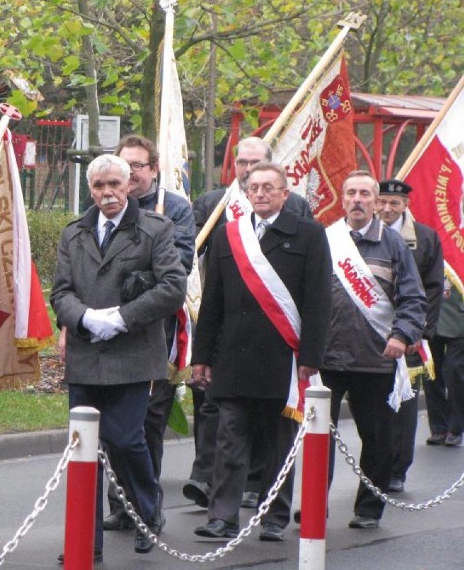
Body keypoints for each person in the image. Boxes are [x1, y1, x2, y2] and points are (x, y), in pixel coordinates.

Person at [51, 154, 187, 560]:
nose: (107, 193)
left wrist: (123, 318)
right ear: (90, 189)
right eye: (99, 186)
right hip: (86, 356)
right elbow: (60, 293)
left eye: (114, 184)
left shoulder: (155, 229)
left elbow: (172, 288)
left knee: (127, 441)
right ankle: (84, 540)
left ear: (129, 185)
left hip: (132, 355)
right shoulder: (74, 233)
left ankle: (148, 515)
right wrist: (86, 318)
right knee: (84, 451)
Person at [190, 163, 331, 542]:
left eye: (270, 187)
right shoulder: (228, 236)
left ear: (286, 193)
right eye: (254, 188)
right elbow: (213, 302)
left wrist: (310, 359)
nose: (261, 194)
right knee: (229, 439)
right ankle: (223, 517)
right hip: (234, 357)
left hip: (284, 360)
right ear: (246, 193)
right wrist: (201, 356)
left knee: (277, 442)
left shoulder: (310, 235)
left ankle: (273, 517)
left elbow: (319, 302)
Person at [320, 170, 426, 529]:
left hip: (376, 358)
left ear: (376, 200)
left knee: (377, 439)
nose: (358, 200)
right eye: (351, 193)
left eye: (366, 193)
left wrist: (401, 334)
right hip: (327, 359)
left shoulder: (394, 245)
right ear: (343, 197)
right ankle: (317, 505)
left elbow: (413, 297)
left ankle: (368, 509)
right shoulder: (326, 240)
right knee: (319, 438)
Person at [101, 134, 195, 532]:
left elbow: (181, 261)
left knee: (146, 425)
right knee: (112, 426)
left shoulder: (174, 208)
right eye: (123, 165)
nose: (129, 173)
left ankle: (145, 505)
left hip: (158, 334)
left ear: (153, 169)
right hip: (109, 333)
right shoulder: (105, 207)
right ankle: (120, 504)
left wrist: (132, 281)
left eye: (137, 166)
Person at [375, 179, 444, 492]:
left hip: (408, 335)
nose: (388, 209)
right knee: (373, 404)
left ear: (406, 206)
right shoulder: (358, 236)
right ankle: (374, 467)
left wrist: (419, 332)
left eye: (395, 204)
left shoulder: (426, 238)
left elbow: (432, 290)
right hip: (369, 332)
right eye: (383, 202)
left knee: (404, 403)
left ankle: (397, 470)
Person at [424, 278, 464, 447]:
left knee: (453, 370)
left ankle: (455, 428)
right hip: (432, 316)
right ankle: (438, 428)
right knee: (431, 372)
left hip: (460, 318)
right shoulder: (430, 250)